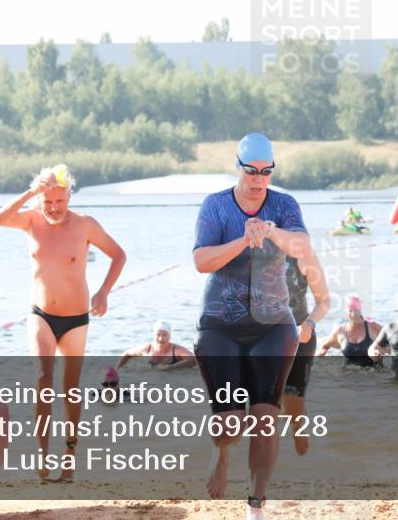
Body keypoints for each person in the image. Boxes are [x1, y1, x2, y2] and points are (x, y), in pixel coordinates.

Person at [192, 132, 310, 517]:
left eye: (266, 172)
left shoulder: (284, 204)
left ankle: (256, 505)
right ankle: (223, 453)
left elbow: (302, 246)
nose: (259, 180)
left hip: (274, 323)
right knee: (230, 424)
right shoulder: (215, 207)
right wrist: (244, 239)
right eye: (252, 171)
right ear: (239, 167)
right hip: (219, 325)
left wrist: (269, 230)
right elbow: (201, 261)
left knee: (265, 417)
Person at [0, 164, 127, 481]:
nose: (53, 208)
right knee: (43, 380)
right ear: (40, 198)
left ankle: (68, 459)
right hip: (40, 313)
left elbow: (119, 255)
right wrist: (31, 193)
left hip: (76, 319)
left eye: (60, 201)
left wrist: (104, 292)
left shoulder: (85, 225)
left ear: (69, 196)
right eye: (47, 201)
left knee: (70, 390)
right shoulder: (30, 219)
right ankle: (42, 457)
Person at [281, 246, 331, 456]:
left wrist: (309, 323)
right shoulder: (252, 252)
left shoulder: (302, 255)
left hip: (301, 335)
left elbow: (324, 301)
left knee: (292, 395)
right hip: (263, 337)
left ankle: (297, 427)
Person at [317, 295, 383, 367]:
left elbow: (390, 338)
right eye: (350, 310)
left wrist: (380, 350)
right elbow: (325, 345)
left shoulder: (372, 326)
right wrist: (322, 351)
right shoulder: (340, 330)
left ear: (360, 310)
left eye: (356, 310)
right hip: (347, 374)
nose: (353, 314)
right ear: (346, 311)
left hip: (373, 373)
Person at [116, 321, 196, 370]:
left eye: (164, 335)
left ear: (169, 336)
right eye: (158, 335)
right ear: (154, 335)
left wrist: (172, 367)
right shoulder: (147, 349)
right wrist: (118, 369)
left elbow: (194, 360)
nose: (161, 339)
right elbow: (127, 354)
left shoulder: (176, 350)